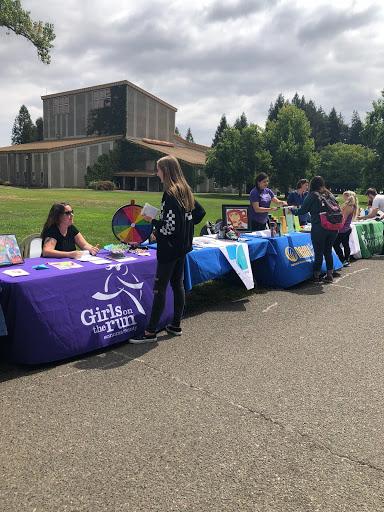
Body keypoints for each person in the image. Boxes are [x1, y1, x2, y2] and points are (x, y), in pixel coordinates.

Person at [129, 155, 206, 344]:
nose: (157, 173)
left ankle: (150, 331)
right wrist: (186, 226)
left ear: (166, 171)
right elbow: (199, 213)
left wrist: (153, 222)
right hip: (182, 247)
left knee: (159, 288)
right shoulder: (185, 190)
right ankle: (175, 324)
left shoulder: (170, 193)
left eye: (158, 169)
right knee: (177, 285)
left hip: (170, 249)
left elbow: (169, 227)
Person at [292, 176, 338, 283]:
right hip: (333, 227)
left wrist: (293, 210)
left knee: (318, 252)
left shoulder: (312, 195)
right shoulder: (329, 194)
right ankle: (329, 275)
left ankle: (316, 276)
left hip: (319, 228)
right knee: (328, 251)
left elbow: (303, 210)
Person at [333, 190, 358, 267]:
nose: (343, 198)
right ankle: (346, 259)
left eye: (344, 196)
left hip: (342, 229)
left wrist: (336, 227)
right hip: (346, 228)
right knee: (345, 244)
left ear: (348, 196)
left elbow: (343, 219)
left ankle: (343, 259)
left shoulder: (348, 206)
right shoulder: (353, 206)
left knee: (336, 244)